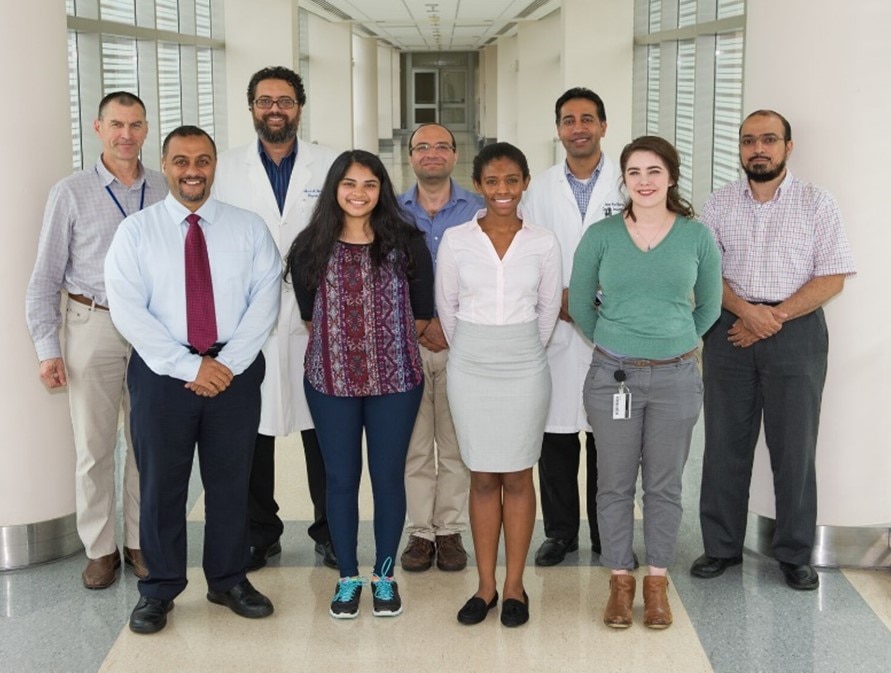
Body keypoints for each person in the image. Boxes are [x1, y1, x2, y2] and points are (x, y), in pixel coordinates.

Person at [105, 126, 282, 634]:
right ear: (165, 164)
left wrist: (226, 365)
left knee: (232, 481)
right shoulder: (136, 232)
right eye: (181, 161)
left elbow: (264, 301)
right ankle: (159, 589)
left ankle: (228, 580)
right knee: (162, 485)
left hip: (235, 372)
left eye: (202, 160)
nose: (193, 170)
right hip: (163, 374)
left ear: (213, 166)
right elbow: (128, 311)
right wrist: (190, 367)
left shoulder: (247, 228)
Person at [690, 110, 856, 591]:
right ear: (739, 149)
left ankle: (794, 553)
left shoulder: (816, 203)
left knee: (795, 448)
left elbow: (832, 276)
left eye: (767, 140)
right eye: (748, 141)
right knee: (723, 444)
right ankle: (720, 547)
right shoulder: (717, 204)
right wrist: (747, 311)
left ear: (788, 145)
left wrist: (773, 317)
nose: (757, 149)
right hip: (729, 329)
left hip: (797, 332)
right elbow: (704, 273)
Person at [568, 136, 722, 629]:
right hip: (614, 376)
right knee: (613, 485)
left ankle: (656, 583)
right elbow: (578, 307)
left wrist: (675, 343)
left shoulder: (697, 237)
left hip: (677, 378)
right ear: (624, 179)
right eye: (634, 172)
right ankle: (620, 580)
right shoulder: (602, 235)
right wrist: (615, 343)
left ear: (671, 177)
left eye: (654, 171)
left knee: (664, 486)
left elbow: (710, 307)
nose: (645, 181)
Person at [25, 91, 167, 589]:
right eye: (116, 125)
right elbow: (44, 278)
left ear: (147, 130)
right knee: (94, 447)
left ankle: (140, 541)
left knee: (147, 444)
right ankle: (101, 549)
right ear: (97, 128)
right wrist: (48, 349)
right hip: (94, 324)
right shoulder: (71, 191)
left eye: (135, 124)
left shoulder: (166, 188)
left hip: (154, 331)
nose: (126, 134)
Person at [288, 150, 434, 620]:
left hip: (395, 380)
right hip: (330, 380)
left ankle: (385, 576)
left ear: (382, 190)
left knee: (388, 477)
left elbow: (422, 312)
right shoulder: (310, 245)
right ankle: (348, 576)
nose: (359, 193)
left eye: (370, 184)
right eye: (349, 183)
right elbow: (311, 316)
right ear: (334, 188)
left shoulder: (407, 241)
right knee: (341, 478)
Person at [214, 66, 340, 571]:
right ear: (251, 109)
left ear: (299, 108)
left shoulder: (330, 165)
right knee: (250, 428)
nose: (275, 109)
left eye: (284, 101)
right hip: (248, 316)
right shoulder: (224, 167)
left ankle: (331, 531)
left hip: (317, 316)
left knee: (324, 429)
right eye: (265, 101)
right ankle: (259, 532)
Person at [437, 142, 562, 628]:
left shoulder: (544, 242)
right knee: (483, 475)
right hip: (471, 363)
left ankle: (515, 586)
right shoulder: (457, 239)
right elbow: (447, 307)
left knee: (517, 475)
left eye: (512, 180)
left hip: (525, 362)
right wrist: (472, 348)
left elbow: (548, 310)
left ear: (525, 182)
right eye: (493, 181)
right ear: (478, 184)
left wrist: (522, 347)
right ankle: (485, 586)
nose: (503, 190)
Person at [522, 87, 625, 567]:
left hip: (616, 324)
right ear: (558, 129)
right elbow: (526, 250)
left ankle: (609, 533)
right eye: (568, 120)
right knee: (556, 436)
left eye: (587, 119)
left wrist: (597, 297)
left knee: (611, 437)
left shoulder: (629, 184)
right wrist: (559, 296)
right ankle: (560, 532)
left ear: (604, 125)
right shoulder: (538, 189)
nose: (578, 127)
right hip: (556, 323)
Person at [397, 123, 483, 573]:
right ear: (410, 156)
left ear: (455, 155)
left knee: (454, 444)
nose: (432, 154)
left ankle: (449, 531)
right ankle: (419, 534)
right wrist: (419, 324)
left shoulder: (480, 209)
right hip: (405, 345)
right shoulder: (389, 211)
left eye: (442, 146)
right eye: (422, 147)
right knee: (413, 446)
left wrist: (445, 326)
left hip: (461, 344)